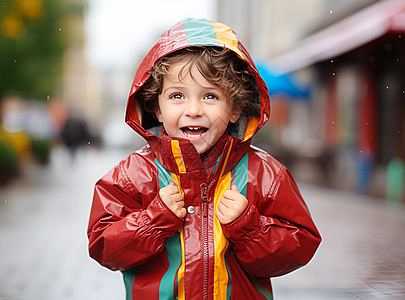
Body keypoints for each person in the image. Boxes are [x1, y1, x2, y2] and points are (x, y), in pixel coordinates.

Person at [87, 18, 321, 299]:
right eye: (177, 96)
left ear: (235, 108)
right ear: (157, 108)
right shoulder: (133, 175)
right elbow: (104, 247)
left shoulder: (265, 175)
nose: (194, 109)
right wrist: (153, 220)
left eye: (210, 96)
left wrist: (249, 228)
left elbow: (299, 247)